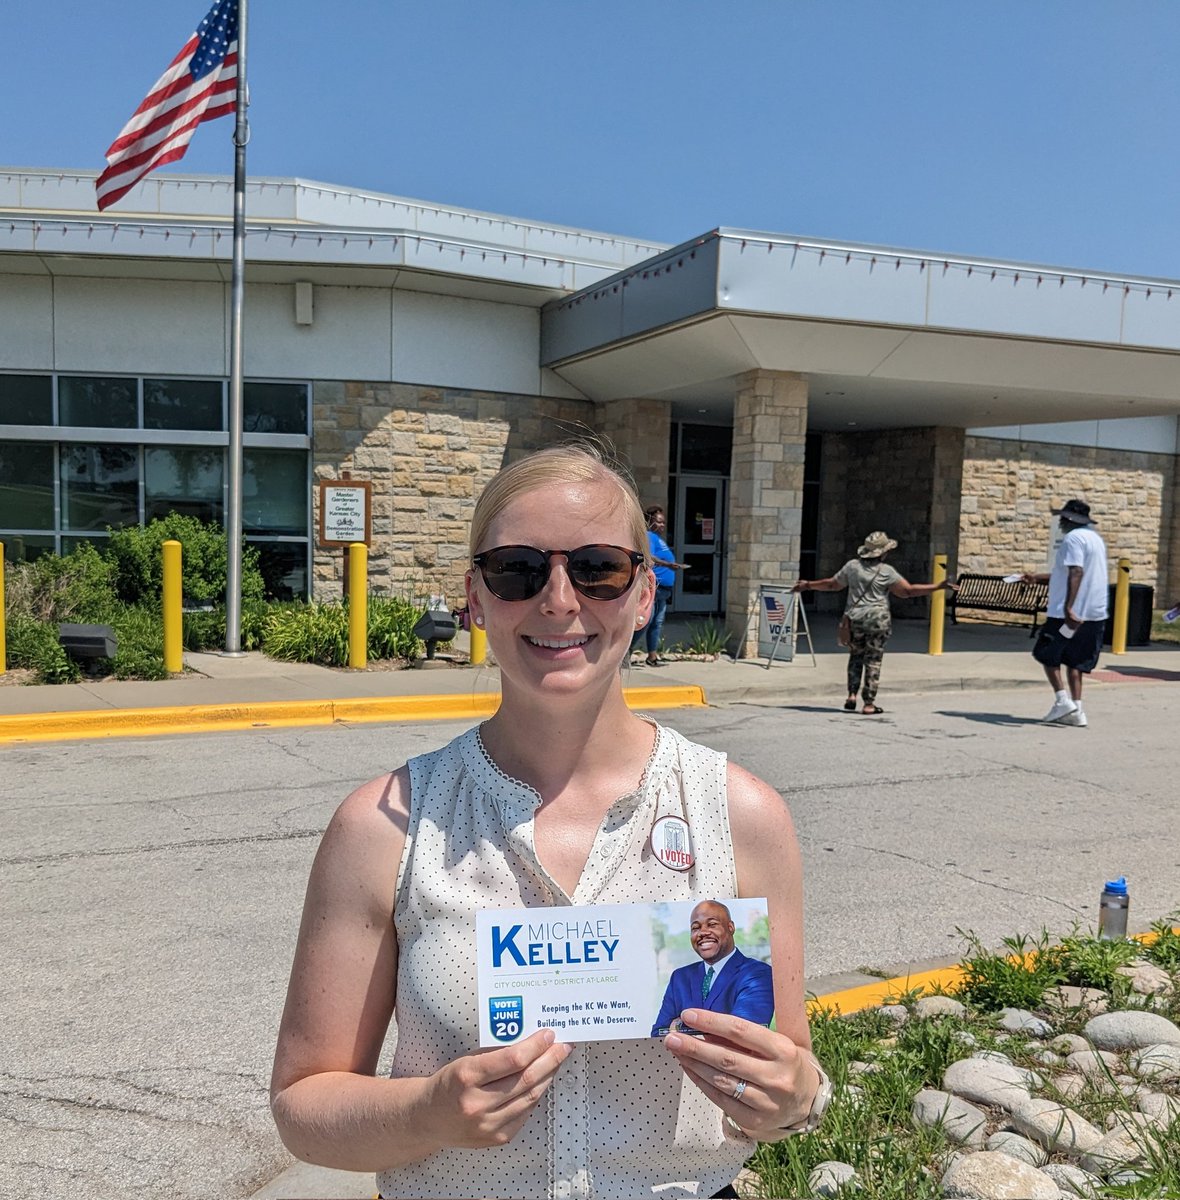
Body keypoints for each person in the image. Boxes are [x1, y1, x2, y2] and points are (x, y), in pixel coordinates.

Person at [270, 443, 829, 1200]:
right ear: (473, 595)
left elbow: (788, 1068)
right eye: (517, 570)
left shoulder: (741, 815)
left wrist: (793, 1100)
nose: (559, 601)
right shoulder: (383, 828)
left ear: (644, 594)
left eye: (597, 567)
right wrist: (428, 1110)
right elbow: (304, 1106)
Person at [793, 531, 957, 715]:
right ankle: (869, 703)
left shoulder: (852, 567)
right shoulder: (887, 572)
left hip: (855, 618)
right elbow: (907, 591)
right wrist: (938, 586)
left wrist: (808, 585)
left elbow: (832, 584)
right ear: (883, 553)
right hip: (878, 620)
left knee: (855, 655)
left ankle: (851, 695)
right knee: (873, 660)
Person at [1020, 498, 1109, 727]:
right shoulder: (1095, 540)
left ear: (1070, 519)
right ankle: (1078, 710)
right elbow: (1068, 574)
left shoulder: (1072, 539)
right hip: (1093, 615)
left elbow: (1076, 572)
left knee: (1047, 653)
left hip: (1067, 616)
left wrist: (1069, 607)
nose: (1060, 521)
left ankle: (1062, 700)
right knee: (1076, 661)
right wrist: (1037, 578)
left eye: (1062, 517)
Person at [651, 900, 774, 1037]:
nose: (702, 932)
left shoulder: (758, 974)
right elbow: (658, 1034)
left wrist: (679, 1025)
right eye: (695, 928)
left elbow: (744, 1035)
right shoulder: (680, 978)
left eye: (712, 924)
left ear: (731, 927)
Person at [630, 503, 685, 666]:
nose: (662, 525)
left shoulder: (658, 539)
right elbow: (648, 556)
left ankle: (652, 656)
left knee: (656, 623)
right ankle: (627, 652)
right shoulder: (647, 536)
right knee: (645, 620)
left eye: (663, 522)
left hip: (664, 590)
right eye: (658, 522)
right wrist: (669, 565)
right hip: (655, 589)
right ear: (649, 521)